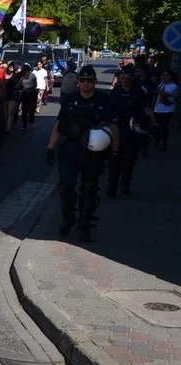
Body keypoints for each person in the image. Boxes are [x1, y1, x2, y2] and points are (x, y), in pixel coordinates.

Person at [46, 65, 119, 242]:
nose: (86, 83)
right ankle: (68, 217)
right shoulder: (71, 99)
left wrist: (115, 153)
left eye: (89, 80)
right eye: (82, 80)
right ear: (78, 82)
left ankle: (84, 226)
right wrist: (50, 147)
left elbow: (114, 128)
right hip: (70, 149)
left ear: (94, 81)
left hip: (93, 152)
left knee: (89, 189)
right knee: (65, 186)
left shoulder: (104, 100)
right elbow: (59, 124)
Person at [106, 65, 151, 197]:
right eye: (123, 77)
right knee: (114, 160)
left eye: (128, 77)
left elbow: (146, 108)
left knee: (129, 160)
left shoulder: (138, 92)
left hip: (133, 131)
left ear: (132, 78)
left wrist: (153, 122)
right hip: (117, 130)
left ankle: (125, 183)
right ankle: (112, 185)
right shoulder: (115, 92)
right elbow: (107, 110)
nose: (125, 80)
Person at [153, 70, 177, 151]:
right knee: (156, 126)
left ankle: (164, 143)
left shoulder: (174, 87)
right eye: (163, 75)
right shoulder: (162, 84)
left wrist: (157, 84)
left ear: (170, 76)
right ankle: (157, 138)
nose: (163, 77)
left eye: (165, 75)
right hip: (157, 109)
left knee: (163, 127)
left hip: (167, 110)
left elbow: (163, 94)